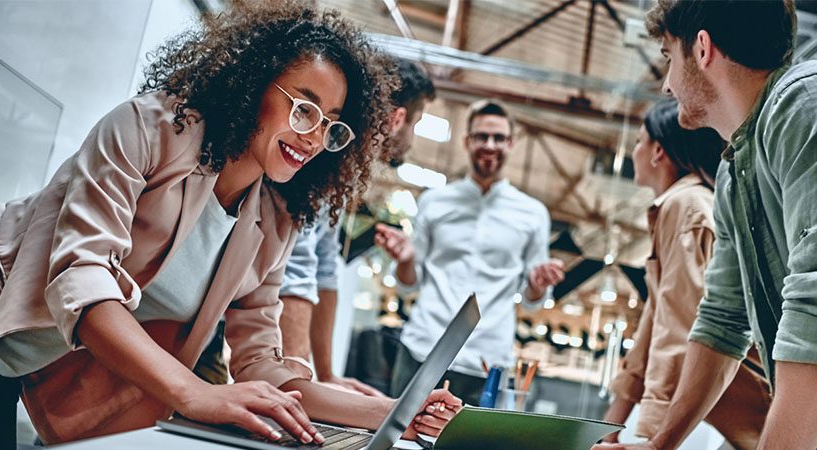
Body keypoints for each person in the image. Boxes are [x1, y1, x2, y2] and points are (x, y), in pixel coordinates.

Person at [0, 2, 459, 448]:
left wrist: (395, 411)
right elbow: (82, 278)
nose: (313, 137)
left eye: (330, 124)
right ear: (253, 86)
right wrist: (194, 392)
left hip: (45, 367)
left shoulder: (275, 220)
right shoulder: (148, 129)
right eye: (304, 109)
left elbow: (260, 365)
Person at [593, 1, 817, 449]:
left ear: (702, 49)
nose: (666, 84)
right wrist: (660, 444)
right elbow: (721, 320)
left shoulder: (802, 105)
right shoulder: (735, 171)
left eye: (668, 58)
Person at [597, 99, 771, 448]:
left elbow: (678, 328)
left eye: (637, 142)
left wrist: (655, 435)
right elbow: (654, 322)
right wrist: (609, 426)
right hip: (716, 414)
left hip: (725, 413)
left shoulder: (686, 206)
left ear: (658, 150)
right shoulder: (680, 206)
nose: (633, 151)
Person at [375, 99, 566, 406]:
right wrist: (407, 260)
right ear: (466, 141)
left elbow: (533, 302)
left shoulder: (533, 214)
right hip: (423, 349)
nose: (490, 145)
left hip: (487, 361)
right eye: (481, 136)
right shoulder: (434, 201)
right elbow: (408, 283)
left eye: (499, 138)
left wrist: (537, 284)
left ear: (511, 143)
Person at [278, 58, 435, 396]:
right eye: (417, 123)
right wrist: (301, 385)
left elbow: (324, 268)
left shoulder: (346, 171)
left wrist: (325, 375)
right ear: (397, 119)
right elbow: (298, 267)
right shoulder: (326, 156)